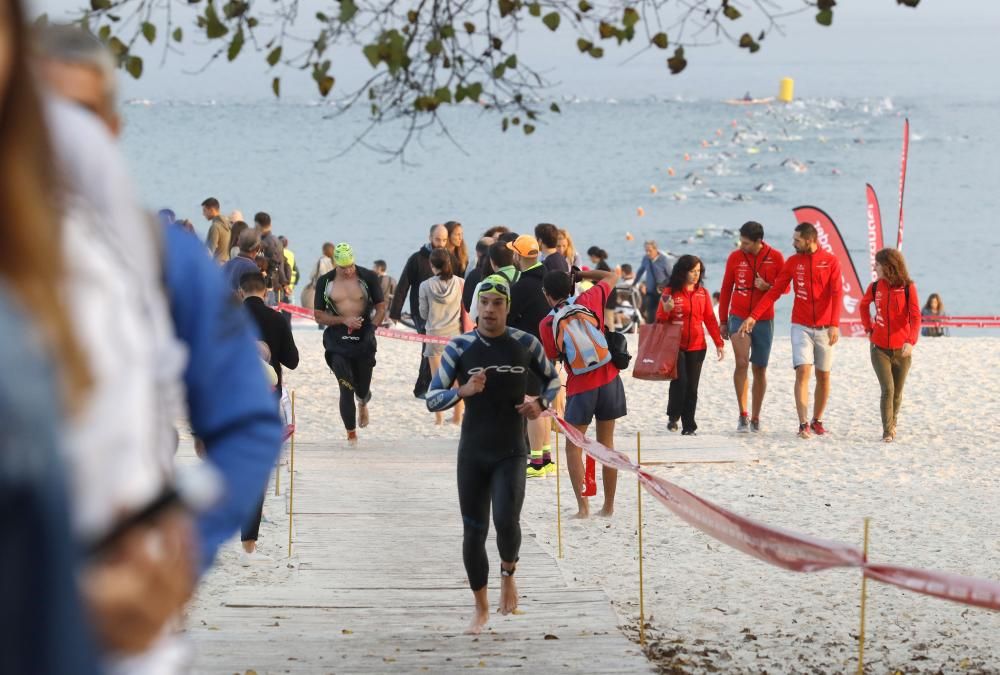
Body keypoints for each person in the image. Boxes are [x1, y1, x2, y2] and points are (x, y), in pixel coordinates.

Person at [39, 20, 284, 585]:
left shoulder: (164, 259)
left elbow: (247, 423)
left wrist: (183, 548)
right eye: (38, 111)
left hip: (110, 583)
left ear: (110, 125)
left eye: (77, 113)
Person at [425, 275, 560, 635]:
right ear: (476, 307)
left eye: (497, 303)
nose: (489, 309)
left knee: (506, 520)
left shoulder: (525, 344)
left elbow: (553, 379)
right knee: (473, 532)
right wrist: (464, 390)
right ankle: (480, 608)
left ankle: (509, 574)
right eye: (484, 303)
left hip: (511, 450)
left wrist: (541, 404)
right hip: (472, 453)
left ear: (507, 308)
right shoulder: (460, 347)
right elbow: (431, 397)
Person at [739, 222, 843, 439]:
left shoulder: (830, 261)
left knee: (823, 375)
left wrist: (834, 324)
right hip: (800, 325)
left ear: (810, 240)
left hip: (825, 327)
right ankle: (803, 423)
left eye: (797, 240)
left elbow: (836, 294)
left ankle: (817, 420)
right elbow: (775, 291)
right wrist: (753, 316)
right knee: (803, 371)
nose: (793, 243)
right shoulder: (793, 262)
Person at [540, 267, 624, 518]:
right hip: (609, 378)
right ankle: (608, 506)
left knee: (574, 446)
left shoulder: (547, 322)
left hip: (581, 386)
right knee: (606, 444)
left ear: (546, 294)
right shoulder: (590, 298)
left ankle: (583, 508)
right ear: (571, 287)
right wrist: (585, 276)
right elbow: (613, 274)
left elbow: (553, 356)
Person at [240, 272, 299, 559]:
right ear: (266, 292)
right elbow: (293, 361)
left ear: (240, 292)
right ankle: (249, 540)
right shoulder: (276, 319)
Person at [314, 244, 387, 444]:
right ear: (335, 263)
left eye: (351, 266)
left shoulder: (368, 277)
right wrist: (343, 320)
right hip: (337, 340)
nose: (348, 271)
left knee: (361, 388)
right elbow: (318, 315)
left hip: (364, 337)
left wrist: (371, 328)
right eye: (343, 267)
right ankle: (351, 436)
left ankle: (363, 402)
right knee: (345, 386)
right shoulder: (325, 281)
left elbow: (381, 308)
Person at [717, 221, 786, 433]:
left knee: (760, 368)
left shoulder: (776, 257)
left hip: (764, 319)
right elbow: (726, 288)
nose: (741, 245)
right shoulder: (735, 257)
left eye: (746, 243)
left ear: (758, 241)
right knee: (741, 362)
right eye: (741, 241)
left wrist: (768, 287)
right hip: (737, 316)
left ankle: (756, 416)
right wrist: (722, 320)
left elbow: (785, 287)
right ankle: (743, 414)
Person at [657, 255, 725, 435]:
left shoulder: (702, 292)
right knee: (681, 382)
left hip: (697, 345)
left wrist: (718, 342)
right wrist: (666, 311)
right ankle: (673, 415)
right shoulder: (669, 292)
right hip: (675, 345)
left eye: (698, 271)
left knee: (692, 388)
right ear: (682, 271)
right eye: (692, 271)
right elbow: (659, 321)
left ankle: (689, 426)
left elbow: (710, 319)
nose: (696, 275)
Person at [507, 235, 556, 476]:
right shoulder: (547, 278)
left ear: (519, 256)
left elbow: (507, 316)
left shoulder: (523, 286)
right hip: (549, 349)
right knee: (544, 405)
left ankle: (537, 461)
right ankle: (546, 457)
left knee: (532, 403)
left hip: (530, 352)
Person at [860, 249, 920, 442]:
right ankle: (887, 430)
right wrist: (868, 328)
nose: (874, 267)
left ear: (888, 266)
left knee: (897, 391)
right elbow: (863, 305)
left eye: (877, 264)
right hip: (879, 348)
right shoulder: (875, 287)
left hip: (902, 350)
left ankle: (893, 423)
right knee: (887, 389)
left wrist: (910, 342)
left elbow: (916, 317)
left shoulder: (908, 288)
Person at [390, 224, 453, 398]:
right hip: (420, 312)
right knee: (429, 347)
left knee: (438, 349)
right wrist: (394, 313)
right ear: (430, 238)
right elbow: (403, 285)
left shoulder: (449, 258)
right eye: (437, 239)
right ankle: (421, 389)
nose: (441, 243)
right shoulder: (417, 259)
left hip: (443, 312)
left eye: (444, 239)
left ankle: (433, 385)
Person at [419, 248, 466, 425]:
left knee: (436, 378)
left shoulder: (425, 286)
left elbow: (423, 314)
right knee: (456, 379)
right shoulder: (460, 283)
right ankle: (456, 417)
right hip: (455, 335)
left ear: (432, 265)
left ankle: (438, 418)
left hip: (434, 335)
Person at [254, 211, 290, 304]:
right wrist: (284, 283)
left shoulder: (263, 243)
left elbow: (265, 265)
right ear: (270, 225)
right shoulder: (277, 241)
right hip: (278, 286)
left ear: (258, 225)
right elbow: (282, 264)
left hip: (269, 287)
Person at [634, 240, 673, 324]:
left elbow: (671, 276)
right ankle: (651, 333)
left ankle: (662, 334)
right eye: (646, 251)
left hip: (663, 292)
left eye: (650, 251)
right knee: (650, 315)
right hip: (650, 292)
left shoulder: (664, 260)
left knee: (661, 315)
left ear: (656, 249)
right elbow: (640, 271)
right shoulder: (645, 259)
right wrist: (634, 283)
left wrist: (663, 285)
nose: (648, 253)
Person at [221, 229, 263, 294]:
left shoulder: (226, 265)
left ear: (238, 243)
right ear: (257, 248)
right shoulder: (253, 269)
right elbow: (254, 300)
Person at [462, 237, 495, 312]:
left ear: (478, 253)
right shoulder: (500, 273)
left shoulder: (473, 274)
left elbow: (467, 303)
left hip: (477, 318)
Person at [201, 197, 231, 262]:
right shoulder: (228, 225)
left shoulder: (215, 227)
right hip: (227, 265)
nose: (203, 214)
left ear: (211, 210)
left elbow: (209, 252)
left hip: (217, 267)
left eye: (204, 210)